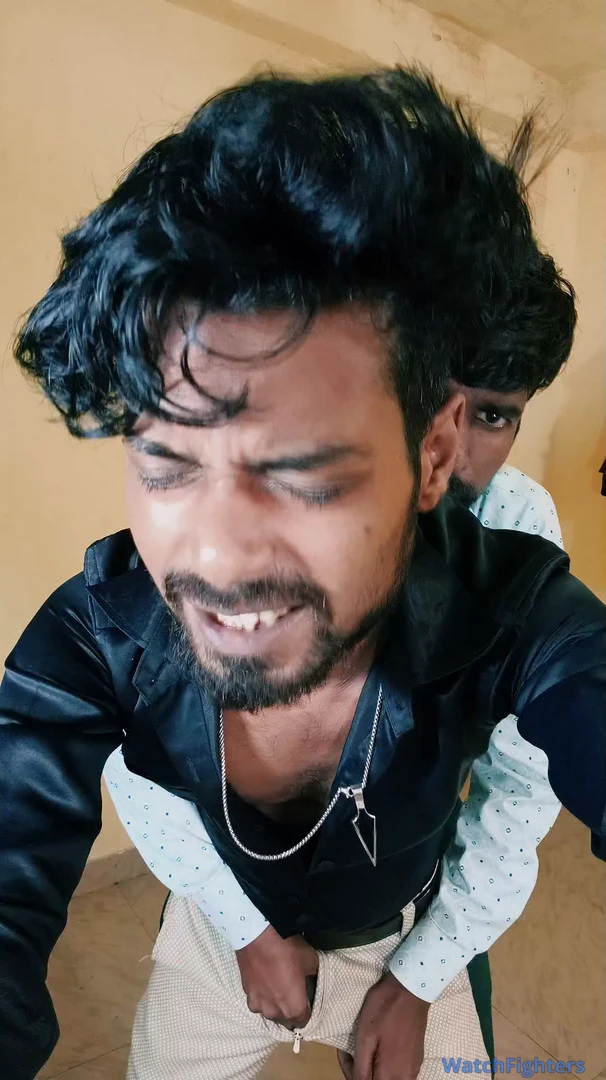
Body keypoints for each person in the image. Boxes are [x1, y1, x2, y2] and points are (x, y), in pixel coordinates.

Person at [1, 69, 604, 1080]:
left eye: (306, 469)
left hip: (404, 929)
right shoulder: (103, 626)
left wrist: (422, 975)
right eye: (170, 462)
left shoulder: (515, 594)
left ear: (431, 449)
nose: (219, 557)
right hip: (217, 934)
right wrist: (241, 927)